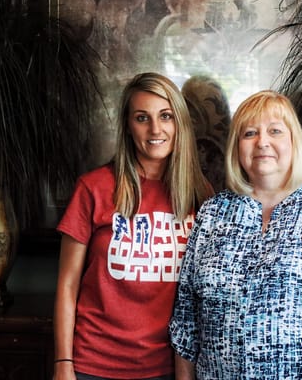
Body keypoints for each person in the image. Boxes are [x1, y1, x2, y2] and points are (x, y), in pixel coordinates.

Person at [169, 90, 302, 379]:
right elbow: (186, 318)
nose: (262, 142)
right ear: (237, 147)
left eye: (275, 131)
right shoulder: (213, 212)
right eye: (250, 133)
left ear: (294, 141)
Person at [54, 72, 213, 380]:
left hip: (169, 367)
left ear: (178, 122)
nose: (156, 129)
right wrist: (63, 363)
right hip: (94, 365)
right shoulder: (94, 188)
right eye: (142, 118)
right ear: (128, 126)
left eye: (165, 116)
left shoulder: (200, 193)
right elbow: (67, 285)